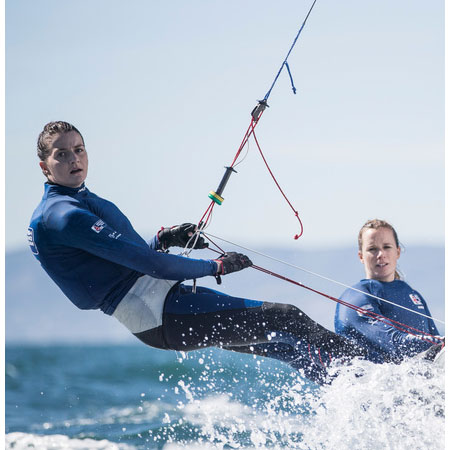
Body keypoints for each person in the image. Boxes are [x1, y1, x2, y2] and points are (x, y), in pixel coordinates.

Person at [28, 121, 371, 385]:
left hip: (164, 304)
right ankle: (377, 372)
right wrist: (215, 266)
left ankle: (352, 390)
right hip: (160, 313)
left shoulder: (75, 202)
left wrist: (164, 238)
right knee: (286, 317)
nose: (75, 158)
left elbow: (126, 258)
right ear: (45, 167)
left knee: (286, 344)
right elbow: (147, 266)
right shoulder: (63, 216)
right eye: (62, 154)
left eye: (79, 149)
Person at [335, 219, 443, 364]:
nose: (381, 254)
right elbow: (394, 343)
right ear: (361, 256)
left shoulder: (412, 294)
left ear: (397, 252)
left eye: (386, 247)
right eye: (372, 249)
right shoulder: (355, 297)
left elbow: (436, 341)